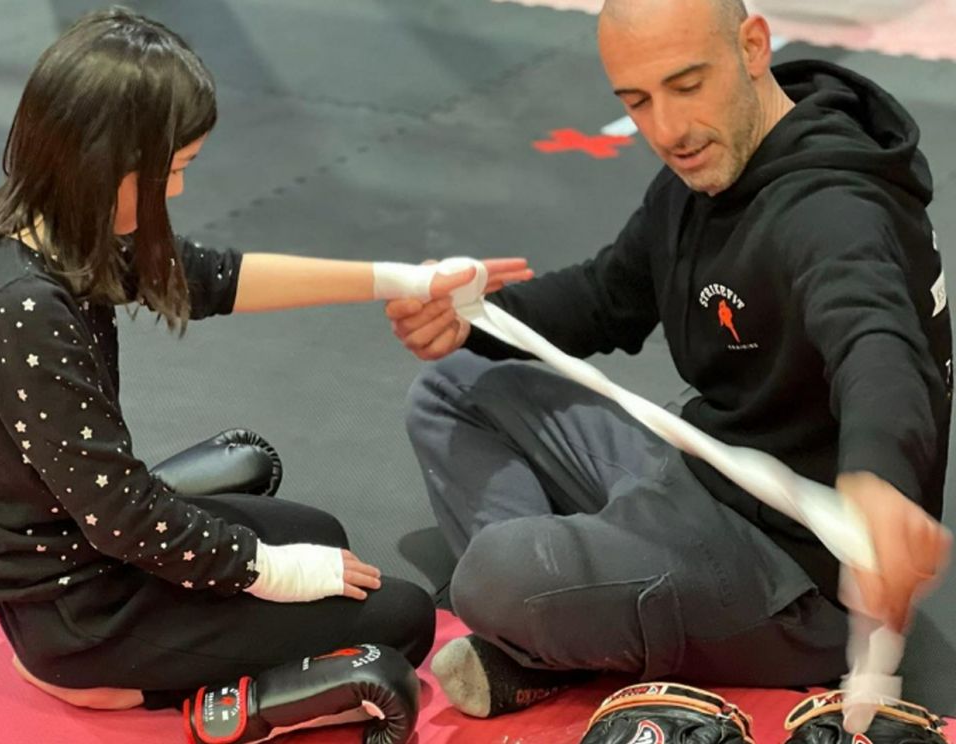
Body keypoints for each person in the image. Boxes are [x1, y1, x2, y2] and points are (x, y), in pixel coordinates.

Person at [386, 0, 954, 719]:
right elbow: (609, 295)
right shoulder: (714, 163)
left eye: (687, 86)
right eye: (637, 101)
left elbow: (879, 345)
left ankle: (549, 618)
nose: (667, 130)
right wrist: (471, 317)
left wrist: (881, 484)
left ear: (752, 47)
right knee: (453, 386)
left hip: (794, 574)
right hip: (702, 469)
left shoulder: (831, 209)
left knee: (497, 576)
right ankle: (566, 618)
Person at [0, 8, 531, 712]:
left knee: (321, 537)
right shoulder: (29, 310)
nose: (175, 192)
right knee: (404, 619)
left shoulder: (42, 242)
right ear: (101, 161)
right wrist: (270, 572)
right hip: (79, 609)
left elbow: (217, 278)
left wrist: (407, 279)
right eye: (167, 172)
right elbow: (119, 515)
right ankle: (116, 683)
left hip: (79, 560)